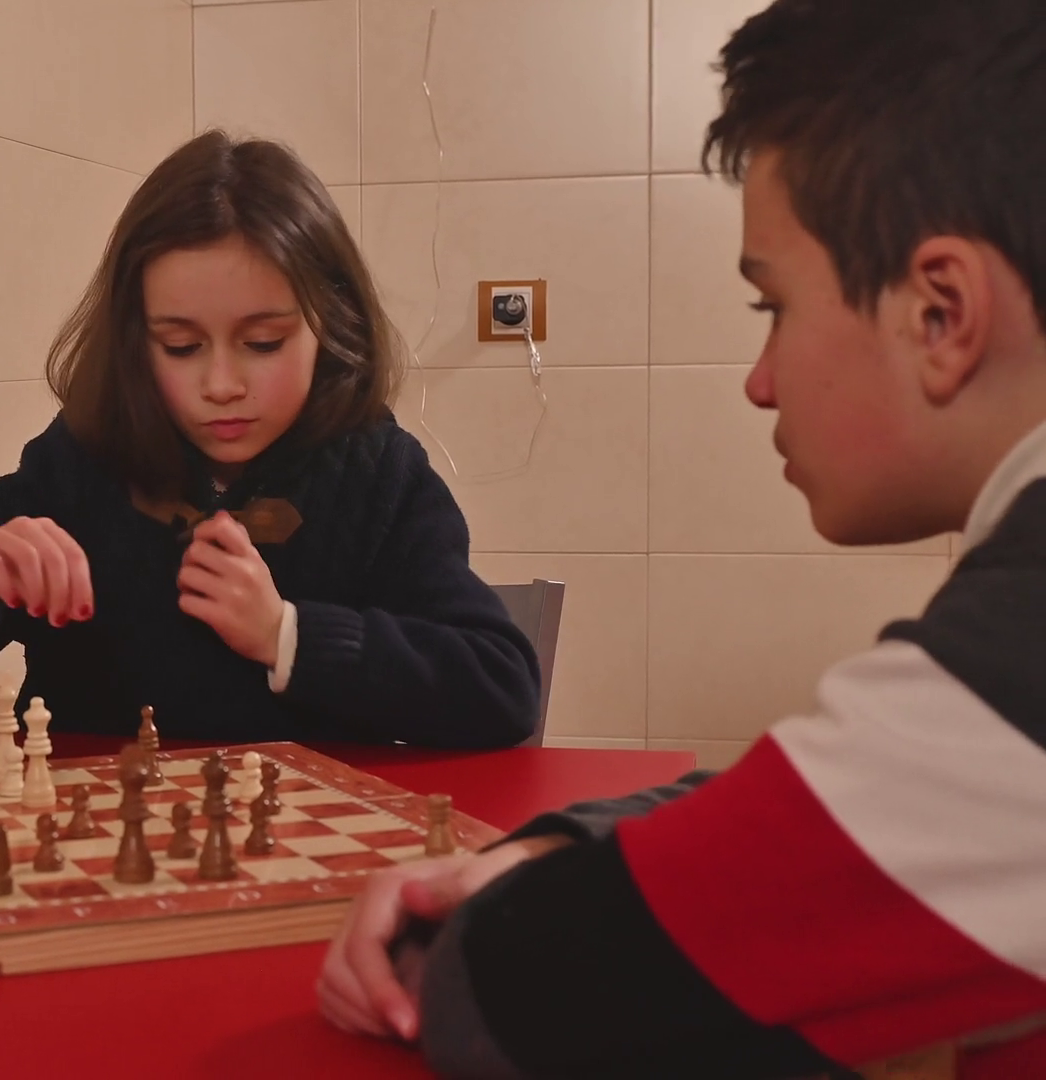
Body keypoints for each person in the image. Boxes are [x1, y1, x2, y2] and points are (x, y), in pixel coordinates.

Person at [317, 0, 1046, 1075]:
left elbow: (509, 988)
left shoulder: (1015, 676)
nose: (760, 382)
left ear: (942, 313)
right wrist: (559, 842)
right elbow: (809, 799)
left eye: (772, 307)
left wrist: (481, 909)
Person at [0, 130, 539, 746]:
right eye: (180, 346)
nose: (221, 384)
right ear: (135, 341)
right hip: (99, 835)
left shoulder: (376, 471)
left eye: (262, 343)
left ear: (328, 324)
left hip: (307, 835)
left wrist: (286, 635)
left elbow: (502, 687)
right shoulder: (84, 461)